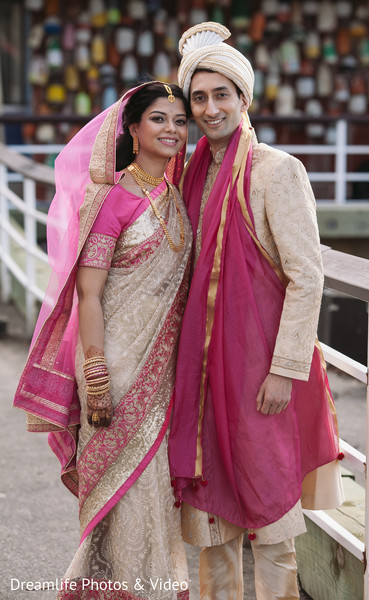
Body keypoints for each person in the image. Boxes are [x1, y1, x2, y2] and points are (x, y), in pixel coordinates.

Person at [168, 22, 345, 600]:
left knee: (271, 522)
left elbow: (306, 274)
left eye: (223, 95)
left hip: (260, 371)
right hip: (203, 371)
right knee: (210, 523)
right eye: (200, 97)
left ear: (245, 99)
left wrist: (283, 369)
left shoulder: (276, 170)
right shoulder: (192, 176)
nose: (211, 108)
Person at [13, 81, 192, 600]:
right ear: (133, 129)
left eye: (180, 121)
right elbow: (88, 296)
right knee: (125, 493)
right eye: (159, 119)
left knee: (153, 493)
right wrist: (95, 376)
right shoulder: (111, 199)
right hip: (113, 365)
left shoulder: (174, 197)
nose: (173, 130)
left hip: (159, 370)